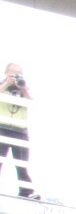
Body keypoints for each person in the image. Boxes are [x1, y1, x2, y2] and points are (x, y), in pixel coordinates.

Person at [1, 64, 34, 199]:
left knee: (22, 165)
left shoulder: (24, 88)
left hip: (20, 131)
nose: (16, 77)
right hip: (1, 128)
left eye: (18, 74)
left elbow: (32, 102)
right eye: (13, 74)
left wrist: (23, 89)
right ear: (6, 73)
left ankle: (26, 193)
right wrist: (6, 84)